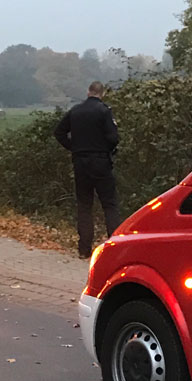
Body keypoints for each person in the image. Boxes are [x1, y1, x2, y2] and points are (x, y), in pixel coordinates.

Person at [54, 81, 121, 258]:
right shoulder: (104, 111)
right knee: (109, 204)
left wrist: (73, 147)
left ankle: (84, 249)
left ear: (88, 92)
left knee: (84, 205)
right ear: (102, 93)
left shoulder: (75, 111)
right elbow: (114, 138)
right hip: (100, 162)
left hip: (80, 162)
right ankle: (114, 248)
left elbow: (59, 132)